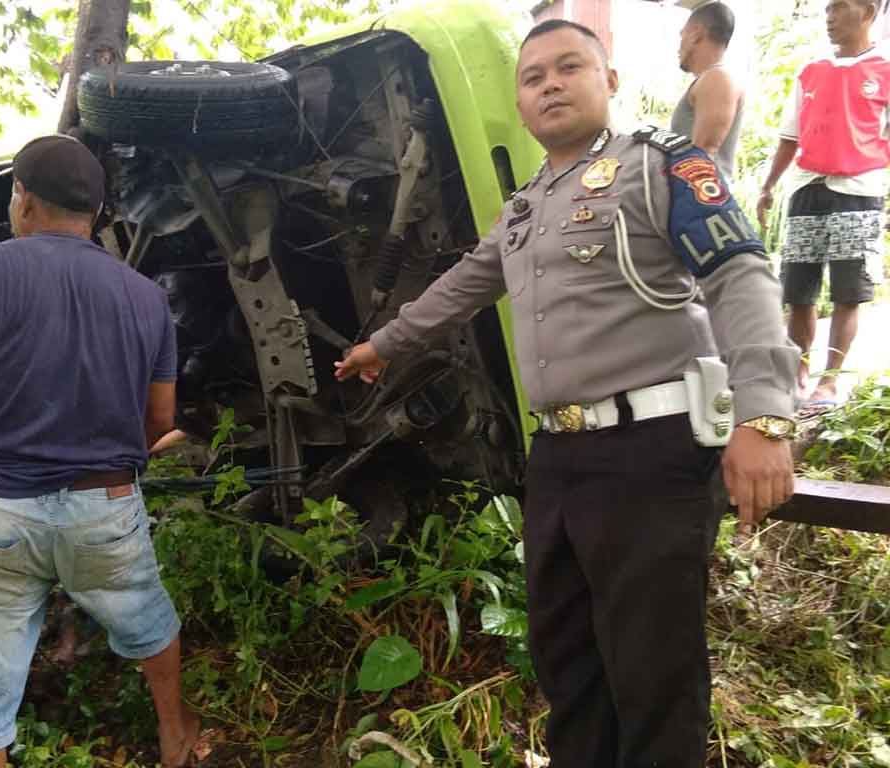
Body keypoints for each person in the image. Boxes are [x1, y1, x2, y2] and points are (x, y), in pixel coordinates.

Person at [337, 19, 798, 768]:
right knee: (567, 657)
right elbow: (463, 286)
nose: (549, 83)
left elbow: (739, 272)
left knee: (653, 670)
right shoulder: (526, 208)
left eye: (568, 67)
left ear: (608, 81)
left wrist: (764, 416)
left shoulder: (661, 165)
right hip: (556, 456)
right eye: (533, 76)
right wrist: (381, 346)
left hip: (652, 451)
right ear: (520, 105)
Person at [0, 135, 200, 768]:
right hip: (104, 508)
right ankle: (176, 736)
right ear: (97, 213)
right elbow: (159, 419)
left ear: (21, 197)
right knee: (150, 625)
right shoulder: (146, 297)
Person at [757, 0, 888, 408]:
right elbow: (790, 136)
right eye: (827, 8)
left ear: (868, 12)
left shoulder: (884, 68)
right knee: (799, 290)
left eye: (840, 7)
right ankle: (798, 376)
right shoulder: (811, 70)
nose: (829, 16)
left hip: (859, 189)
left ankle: (829, 382)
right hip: (806, 186)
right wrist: (769, 185)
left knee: (849, 291)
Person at [672, 1, 745, 181]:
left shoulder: (717, 79)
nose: (678, 47)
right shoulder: (711, 79)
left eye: (682, 35)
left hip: (703, 203)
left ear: (696, 34)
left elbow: (702, 158)